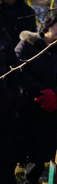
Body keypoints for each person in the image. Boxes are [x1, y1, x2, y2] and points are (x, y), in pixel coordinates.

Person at [13, 11, 57, 184]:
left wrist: (54, 93)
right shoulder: (27, 44)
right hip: (24, 106)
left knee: (40, 152)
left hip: (51, 109)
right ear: (48, 25)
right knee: (16, 147)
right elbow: (18, 71)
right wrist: (40, 92)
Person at [0, 27, 19, 184]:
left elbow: (13, 68)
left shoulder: (3, 33)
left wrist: (11, 98)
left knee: (5, 161)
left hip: (4, 110)